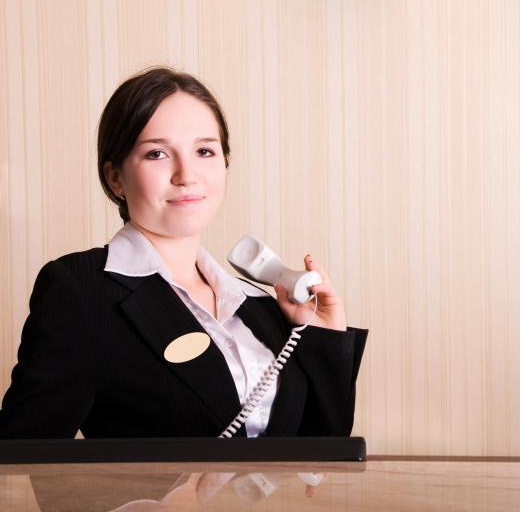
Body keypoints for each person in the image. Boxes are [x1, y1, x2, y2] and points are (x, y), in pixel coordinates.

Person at [0, 66, 368, 439]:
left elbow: (320, 462)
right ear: (116, 179)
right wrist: (158, 497)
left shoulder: (261, 306)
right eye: (157, 154)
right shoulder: (80, 288)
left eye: (205, 151)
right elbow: (23, 460)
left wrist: (324, 338)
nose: (186, 175)